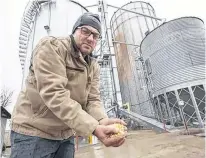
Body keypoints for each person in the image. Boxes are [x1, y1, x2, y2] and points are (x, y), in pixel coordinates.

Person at [10, 12, 126, 158]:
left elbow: (93, 99)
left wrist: (102, 120)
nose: (90, 38)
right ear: (75, 31)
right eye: (85, 31)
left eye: (95, 36)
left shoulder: (93, 66)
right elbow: (55, 94)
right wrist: (94, 128)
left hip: (65, 135)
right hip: (34, 132)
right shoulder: (52, 47)